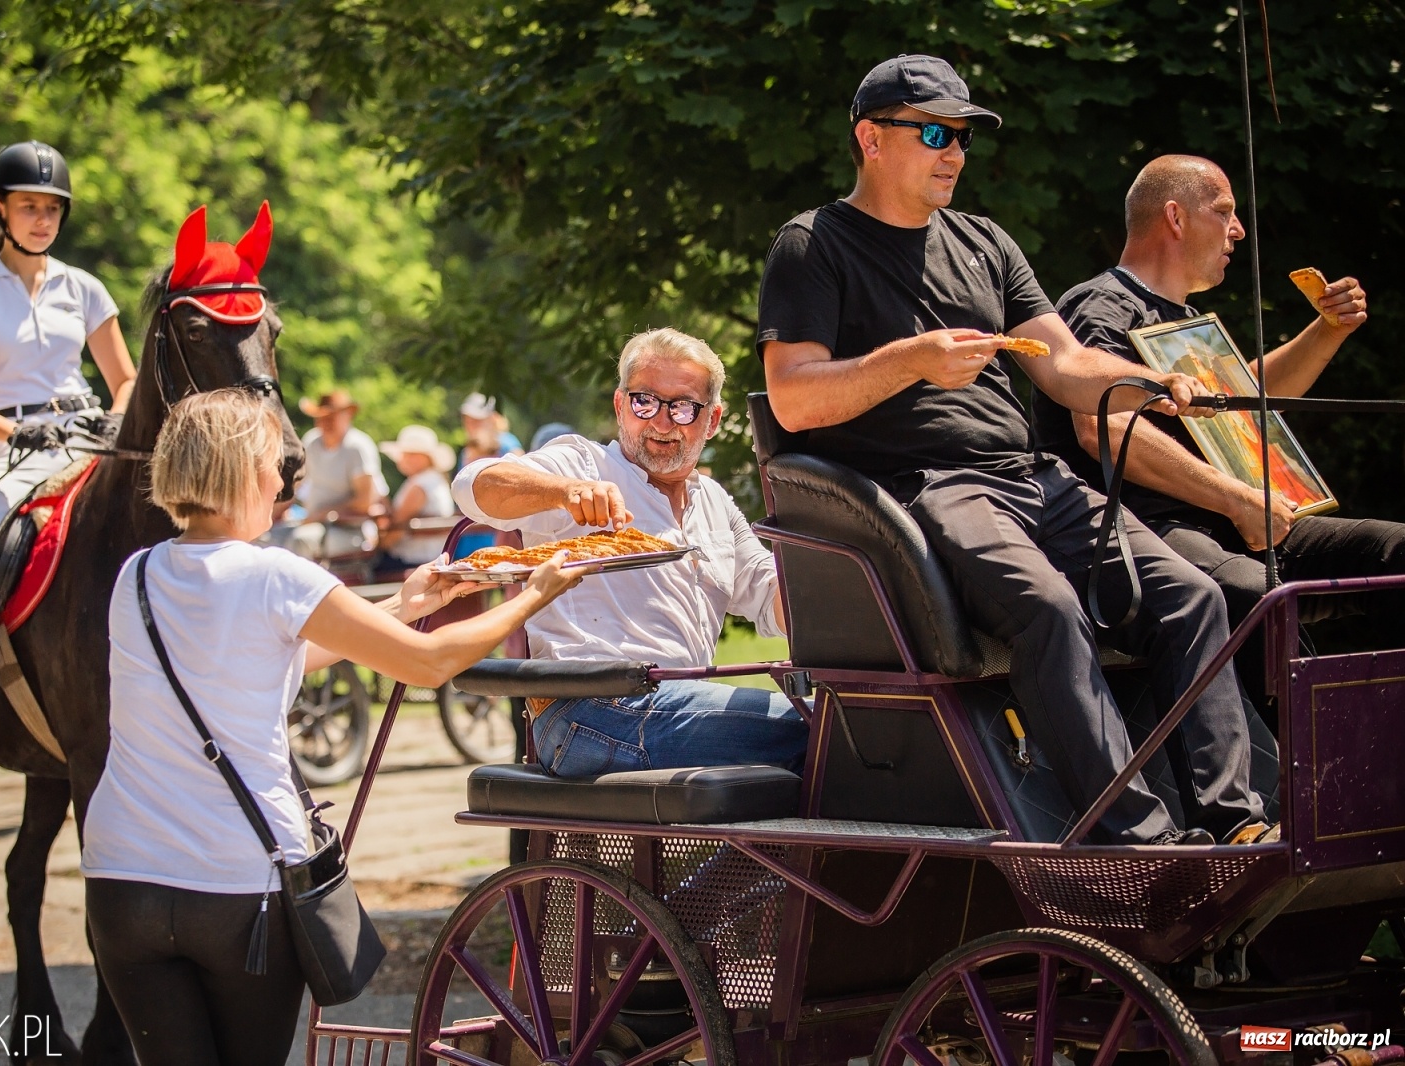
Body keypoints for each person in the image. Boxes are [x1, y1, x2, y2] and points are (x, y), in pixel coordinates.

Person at [754, 56, 1271, 845]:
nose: (954, 151)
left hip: (1036, 479)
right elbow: (792, 395)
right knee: (1049, 609)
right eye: (934, 131)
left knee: (1193, 596)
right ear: (870, 138)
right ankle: (1135, 840)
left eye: (962, 135)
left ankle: (1234, 826)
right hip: (926, 491)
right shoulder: (812, 244)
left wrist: (1147, 379)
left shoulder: (986, 242)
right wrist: (911, 360)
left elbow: (1062, 363)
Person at [82, 390, 579, 1065]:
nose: (284, 481)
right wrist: (532, 595)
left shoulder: (134, 576)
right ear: (241, 472)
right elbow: (431, 665)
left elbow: (270, 653)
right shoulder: (276, 575)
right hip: (238, 887)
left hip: (123, 879)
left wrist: (402, 604)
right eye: (274, 465)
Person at [1033, 154, 1395, 719]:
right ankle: (1312, 783)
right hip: (1143, 532)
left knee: (1394, 552)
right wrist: (1235, 498)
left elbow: (1241, 401)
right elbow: (1099, 422)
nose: (1238, 229)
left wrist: (1328, 331)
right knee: (1264, 599)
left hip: (1228, 522)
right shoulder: (1102, 305)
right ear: (1175, 217)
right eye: (1224, 210)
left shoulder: (1186, 320)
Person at [452, 327, 808, 776]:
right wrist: (565, 491)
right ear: (621, 405)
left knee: (847, 725)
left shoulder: (716, 503)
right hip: (586, 709)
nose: (661, 422)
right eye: (645, 401)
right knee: (820, 730)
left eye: (682, 407)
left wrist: (844, 591)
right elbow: (473, 485)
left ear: (712, 420)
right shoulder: (584, 463)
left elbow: (773, 596)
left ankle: (758, 851)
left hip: (669, 704)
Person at [0, 140, 136, 745]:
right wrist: (14, 431)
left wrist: (113, 419)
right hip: (11, 447)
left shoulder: (85, 287)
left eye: (52, 209)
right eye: (29, 207)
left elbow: (122, 379)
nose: (42, 220)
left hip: (86, 435)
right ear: (0, 209)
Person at [266, 388, 387, 559]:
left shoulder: (358, 447)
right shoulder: (312, 442)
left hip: (350, 530)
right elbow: (296, 486)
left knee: (302, 541)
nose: (325, 423)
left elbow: (365, 501)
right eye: (321, 417)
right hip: (311, 523)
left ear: (347, 417)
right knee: (263, 538)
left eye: (331, 417)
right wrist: (268, 515)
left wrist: (322, 514)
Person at [376, 425, 459, 572]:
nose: (401, 459)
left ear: (422, 457)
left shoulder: (420, 485)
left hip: (412, 559)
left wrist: (377, 546)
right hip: (431, 556)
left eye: (408, 454)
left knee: (370, 568)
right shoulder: (434, 480)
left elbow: (397, 527)